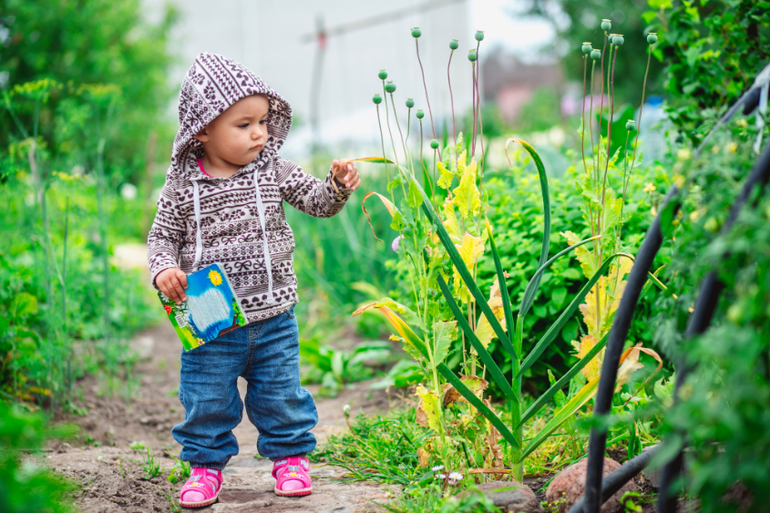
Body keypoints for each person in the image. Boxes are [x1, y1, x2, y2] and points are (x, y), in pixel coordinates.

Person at [147, 53, 360, 508]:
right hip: (209, 319)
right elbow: (162, 235)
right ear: (202, 129)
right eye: (244, 125)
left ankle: (290, 459)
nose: (259, 133)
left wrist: (337, 186)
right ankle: (204, 468)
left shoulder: (271, 168)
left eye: (262, 121)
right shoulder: (183, 185)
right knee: (206, 400)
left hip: (274, 315)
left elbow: (316, 201)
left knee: (281, 394)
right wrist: (164, 269)